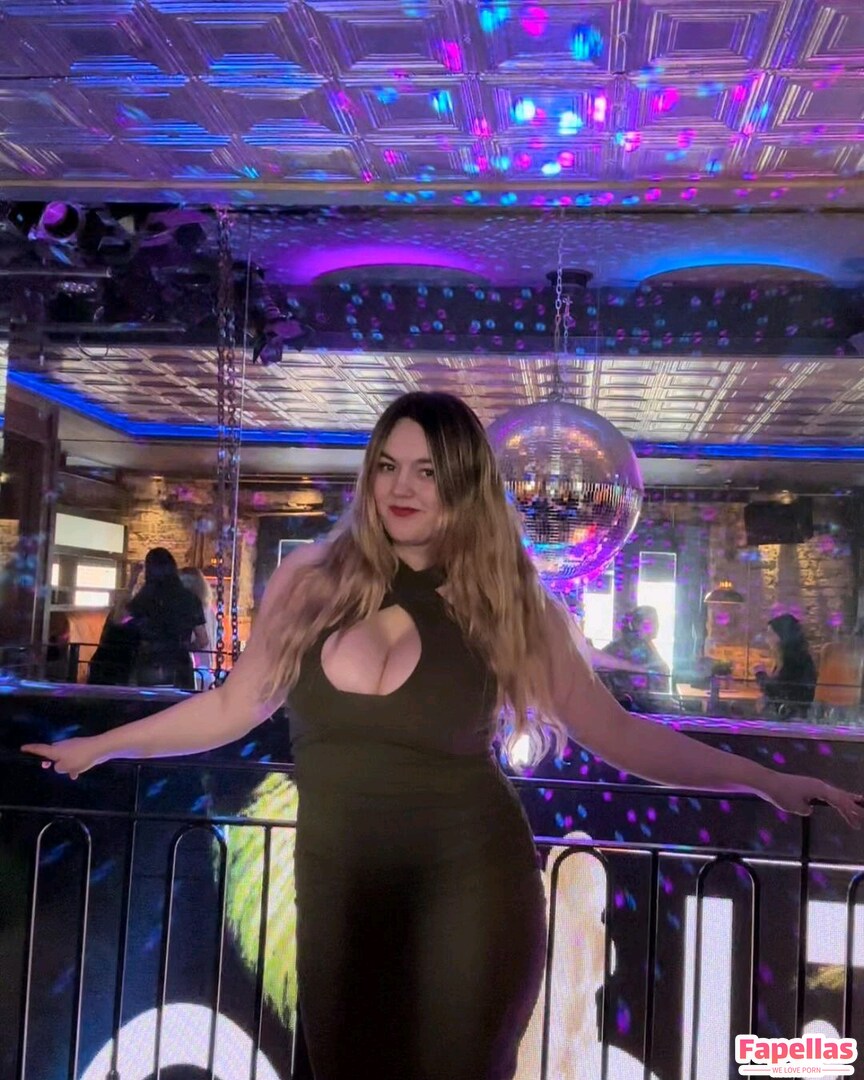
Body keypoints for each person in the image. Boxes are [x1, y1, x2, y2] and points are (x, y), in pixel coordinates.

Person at [22, 392, 862, 1080]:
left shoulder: (508, 602)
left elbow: (620, 735)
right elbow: (231, 707)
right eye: (388, 465)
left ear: (462, 484)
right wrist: (102, 746)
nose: (402, 487)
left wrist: (765, 779)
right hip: (340, 895)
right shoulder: (310, 581)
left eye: (427, 470)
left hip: (471, 893)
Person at [125, 548, 208, 690]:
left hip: (149, 662)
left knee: (147, 702)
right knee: (180, 703)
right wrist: (187, 647)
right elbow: (203, 640)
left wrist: (132, 582)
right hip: (179, 664)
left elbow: (122, 618)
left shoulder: (144, 598)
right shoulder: (190, 599)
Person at [599, 605, 673, 711]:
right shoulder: (625, 647)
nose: (656, 626)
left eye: (657, 622)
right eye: (650, 622)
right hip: (633, 710)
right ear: (636, 625)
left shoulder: (646, 644)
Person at [755, 613, 817, 719]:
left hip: (792, 719)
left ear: (782, 636)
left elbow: (780, 690)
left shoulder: (796, 661)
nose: (767, 639)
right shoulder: (784, 659)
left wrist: (760, 675)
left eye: (770, 634)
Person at [179, 566, 217, 687]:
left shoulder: (193, 611)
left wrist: (184, 647)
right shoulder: (210, 611)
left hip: (196, 671)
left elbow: (203, 640)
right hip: (207, 670)